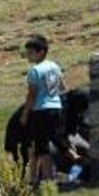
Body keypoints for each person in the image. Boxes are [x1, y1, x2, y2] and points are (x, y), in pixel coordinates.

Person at [20, 34, 69, 186]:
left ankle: (47, 179)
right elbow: (62, 87)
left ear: (40, 52)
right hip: (56, 108)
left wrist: (25, 113)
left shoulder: (35, 71)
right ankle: (43, 176)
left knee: (41, 147)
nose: (27, 56)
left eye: (30, 52)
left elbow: (32, 95)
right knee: (55, 141)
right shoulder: (55, 66)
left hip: (41, 110)